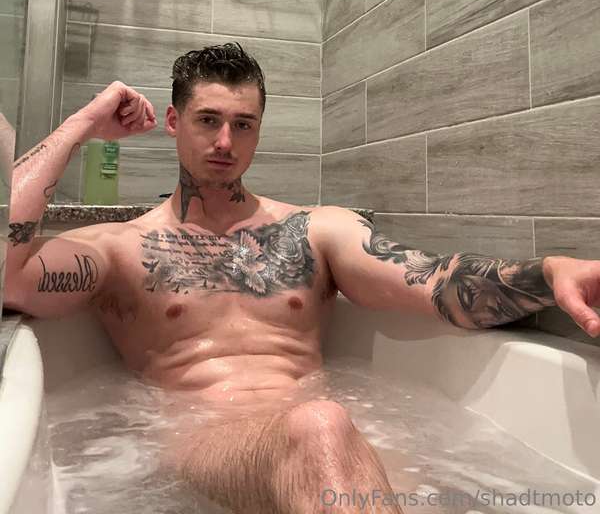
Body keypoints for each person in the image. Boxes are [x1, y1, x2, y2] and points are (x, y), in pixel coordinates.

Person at [5, 42, 600, 514]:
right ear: (172, 122)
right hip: (207, 445)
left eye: (244, 124)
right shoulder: (119, 248)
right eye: (208, 120)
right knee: (320, 426)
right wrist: (81, 124)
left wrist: (550, 273)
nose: (224, 142)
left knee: (325, 430)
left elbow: (436, 283)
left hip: (328, 442)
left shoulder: (317, 231)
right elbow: (11, 278)